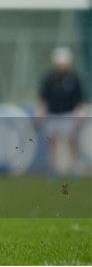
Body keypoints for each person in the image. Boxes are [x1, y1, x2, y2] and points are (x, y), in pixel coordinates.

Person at [36, 47, 87, 175]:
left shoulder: (74, 78)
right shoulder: (49, 78)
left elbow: (80, 99)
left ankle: (73, 168)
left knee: (71, 141)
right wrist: (40, 113)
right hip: (53, 114)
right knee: (52, 142)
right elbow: (43, 98)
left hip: (68, 114)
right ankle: (53, 169)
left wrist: (80, 113)